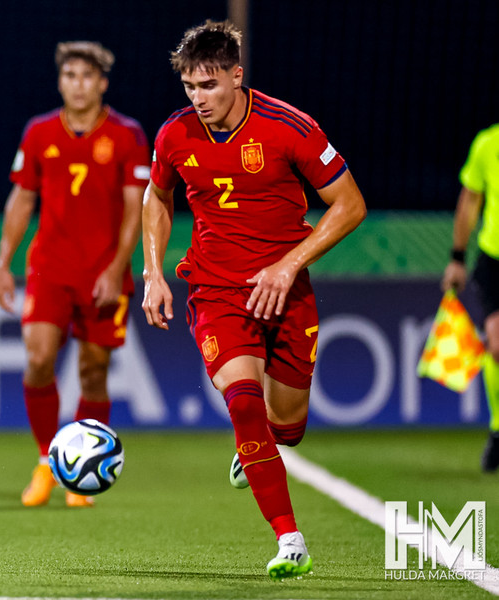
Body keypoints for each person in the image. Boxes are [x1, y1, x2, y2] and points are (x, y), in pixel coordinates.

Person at [141, 21, 366, 580]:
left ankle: (258, 446)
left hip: (285, 292)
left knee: (286, 426)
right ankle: (290, 539)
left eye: (209, 85)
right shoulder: (175, 134)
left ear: (236, 76)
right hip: (215, 290)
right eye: (189, 86)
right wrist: (152, 272)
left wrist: (288, 265)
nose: (198, 98)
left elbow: (350, 205)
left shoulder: (290, 127)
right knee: (244, 402)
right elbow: (157, 195)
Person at [0, 41, 150, 508]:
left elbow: (136, 209)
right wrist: (3, 262)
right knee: (39, 358)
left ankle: (82, 476)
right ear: (60, 82)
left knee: (93, 371)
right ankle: (47, 462)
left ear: (102, 83)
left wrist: (116, 268)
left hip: (104, 272)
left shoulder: (126, 134)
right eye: (69, 75)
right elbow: (22, 198)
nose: (77, 84)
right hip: (51, 268)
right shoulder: (39, 131)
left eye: (86, 76)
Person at [441, 123, 499, 473]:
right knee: (497, 344)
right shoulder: (487, 143)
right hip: (495, 259)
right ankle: (498, 429)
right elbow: (470, 201)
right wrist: (458, 258)